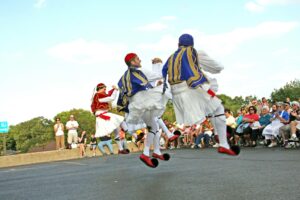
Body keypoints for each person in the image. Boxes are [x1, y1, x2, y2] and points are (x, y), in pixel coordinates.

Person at [162, 33, 240, 156]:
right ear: (192, 44)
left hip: (176, 93)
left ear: (178, 44)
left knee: (211, 107)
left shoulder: (171, 57)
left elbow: (163, 71)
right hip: (191, 88)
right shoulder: (194, 53)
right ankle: (223, 143)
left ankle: (217, 135)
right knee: (218, 107)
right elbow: (217, 68)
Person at [118, 53, 179, 168]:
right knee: (165, 90)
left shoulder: (125, 76)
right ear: (132, 62)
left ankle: (156, 151)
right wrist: (166, 65)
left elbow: (122, 94)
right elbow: (159, 75)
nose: (140, 59)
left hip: (136, 106)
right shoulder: (140, 71)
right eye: (137, 58)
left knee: (154, 126)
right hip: (144, 102)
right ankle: (146, 153)